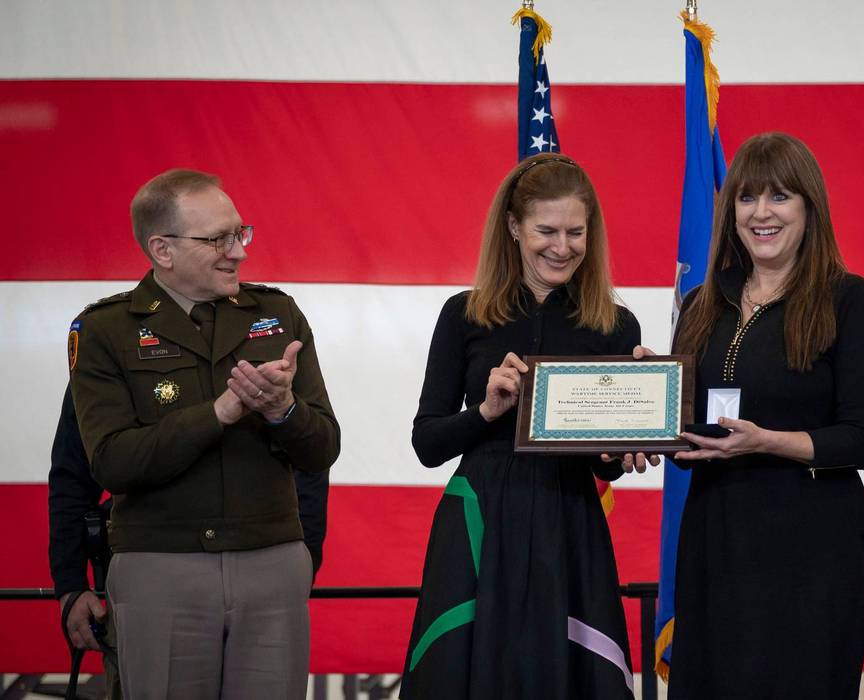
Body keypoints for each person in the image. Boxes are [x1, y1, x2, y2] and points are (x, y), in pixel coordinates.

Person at [68, 168, 340, 699]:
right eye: (218, 239)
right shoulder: (105, 330)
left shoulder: (277, 314)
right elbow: (112, 461)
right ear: (162, 250)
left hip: (271, 563)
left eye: (241, 233)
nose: (237, 251)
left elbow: (323, 448)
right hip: (159, 569)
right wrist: (220, 412)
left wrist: (284, 409)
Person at [660, 132, 864, 698]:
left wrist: (768, 441)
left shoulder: (848, 299)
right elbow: (688, 427)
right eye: (746, 198)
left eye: (780, 197)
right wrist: (646, 407)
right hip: (715, 541)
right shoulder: (700, 304)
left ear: (809, 207)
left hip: (809, 549)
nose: (761, 213)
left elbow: (863, 438)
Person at [400, 153, 642, 699]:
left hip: (569, 518)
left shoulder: (616, 324)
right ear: (513, 227)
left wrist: (626, 444)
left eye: (576, 231)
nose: (562, 246)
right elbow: (427, 443)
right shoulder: (463, 314)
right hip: (478, 517)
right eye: (546, 230)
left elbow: (607, 463)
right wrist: (486, 411)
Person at [50, 382, 332, 699]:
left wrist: (299, 568)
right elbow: (74, 474)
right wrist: (71, 582)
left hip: (265, 581)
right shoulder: (113, 340)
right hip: (149, 582)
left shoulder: (269, 347)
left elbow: (310, 464)